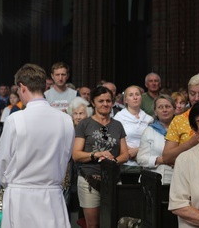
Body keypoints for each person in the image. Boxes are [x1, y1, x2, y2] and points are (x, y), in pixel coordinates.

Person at [0, 63, 74, 228]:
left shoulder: (15, 119)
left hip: (20, 197)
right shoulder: (66, 120)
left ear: (22, 87)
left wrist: (9, 183)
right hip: (52, 196)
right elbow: (66, 157)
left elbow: (2, 161)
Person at [72, 86, 129, 228]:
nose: (105, 104)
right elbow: (76, 155)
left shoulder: (117, 125)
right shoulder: (84, 124)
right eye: (101, 101)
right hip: (89, 179)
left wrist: (112, 161)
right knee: (93, 225)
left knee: (114, 222)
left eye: (108, 101)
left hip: (113, 179)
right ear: (93, 102)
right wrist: (96, 154)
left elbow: (125, 155)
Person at [137, 94, 175, 184]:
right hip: (152, 181)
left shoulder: (182, 130)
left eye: (168, 106)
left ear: (174, 109)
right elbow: (141, 159)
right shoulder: (149, 131)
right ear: (155, 112)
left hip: (176, 180)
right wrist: (162, 160)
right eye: (160, 107)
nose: (164, 110)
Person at [114, 85, 154, 167]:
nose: (135, 97)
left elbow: (152, 141)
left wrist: (137, 150)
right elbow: (115, 139)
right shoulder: (119, 117)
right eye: (131, 95)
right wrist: (128, 151)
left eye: (137, 94)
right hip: (125, 163)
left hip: (145, 162)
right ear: (125, 100)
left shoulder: (148, 119)